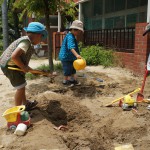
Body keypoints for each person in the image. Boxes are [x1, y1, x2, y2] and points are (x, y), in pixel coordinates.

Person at [0, 22, 48, 110]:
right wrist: (23, 67)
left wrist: (28, 68)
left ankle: (25, 103)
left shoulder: (27, 42)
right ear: (38, 35)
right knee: (20, 88)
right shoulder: (25, 42)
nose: (41, 41)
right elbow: (14, 56)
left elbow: (21, 59)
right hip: (9, 67)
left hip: (15, 64)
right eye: (41, 38)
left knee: (22, 85)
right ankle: (17, 111)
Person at [59, 20, 84, 86]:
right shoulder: (70, 37)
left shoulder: (72, 36)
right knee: (67, 70)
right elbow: (71, 47)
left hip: (71, 57)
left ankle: (72, 80)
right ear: (74, 30)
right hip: (66, 57)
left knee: (73, 69)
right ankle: (65, 81)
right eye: (78, 32)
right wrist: (77, 55)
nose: (79, 33)